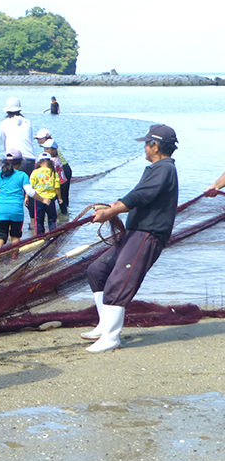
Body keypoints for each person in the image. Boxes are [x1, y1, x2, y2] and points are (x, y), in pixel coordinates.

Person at [83, 125, 179, 352]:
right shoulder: (155, 168)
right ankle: (104, 325)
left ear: (155, 146)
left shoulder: (164, 169)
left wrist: (112, 212)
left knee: (119, 281)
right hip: (134, 232)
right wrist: (112, 206)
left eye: (147, 143)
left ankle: (111, 338)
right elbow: (138, 197)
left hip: (148, 234)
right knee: (97, 271)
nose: (144, 147)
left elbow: (142, 195)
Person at [0, 150, 32, 248]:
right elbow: (30, 191)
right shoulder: (22, 175)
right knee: (15, 236)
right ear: (20, 163)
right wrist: (43, 199)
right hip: (16, 211)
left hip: (1, 210)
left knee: (0, 235)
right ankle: (14, 258)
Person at [37, 131, 73, 215]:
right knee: (62, 198)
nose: (45, 150)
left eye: (47, 149)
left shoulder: (52, 160)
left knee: (58, 198)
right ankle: (64, 216)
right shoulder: (55, 156)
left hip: (60, 179)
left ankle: (59, 215)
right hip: (62, 178)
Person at [0, 97, 36, 175]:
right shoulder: (27, 122)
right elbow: (30, 140)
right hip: (30, 160)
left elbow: (4, 143)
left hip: (14, 160)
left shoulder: (3, 124)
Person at [28, 153, 60, 234]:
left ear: (39, 162)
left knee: (39, 220)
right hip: (50, 199)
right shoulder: (53, 173)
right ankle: (53, 235)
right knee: (52, 219)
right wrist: (60, 198)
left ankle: (39, 237)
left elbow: (30, 186)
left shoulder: (35, 172)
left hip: (39, 199)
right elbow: (57, 187)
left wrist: (26, 197)